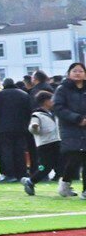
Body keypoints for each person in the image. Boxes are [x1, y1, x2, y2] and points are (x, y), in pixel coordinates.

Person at [52, 63, 86, 197]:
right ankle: (65, 184)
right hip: (71, 129)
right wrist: (77, 118)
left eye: (81, 71)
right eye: (74, 71)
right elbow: (58, 108)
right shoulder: (62, 89)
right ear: (69, 73)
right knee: (74, 158)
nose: (78, 73)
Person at [0, 78, 34, 182]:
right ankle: (21, 173)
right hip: (21, 128)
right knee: (20, 151)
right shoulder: (24, 94)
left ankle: (9, 174)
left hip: (4, 128)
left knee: (7, 151)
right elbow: (29, 111)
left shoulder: (0, 95)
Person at [24, 91, 60, 194]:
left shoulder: (53, 114)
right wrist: (35, 127)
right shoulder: (37, 115)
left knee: (61, 164)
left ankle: (65, 186)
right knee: (45, 167)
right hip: (45, 144)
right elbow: (32, 127)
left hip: (56, 141)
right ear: (45, 102)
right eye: (51, 100)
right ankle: (31, 181)